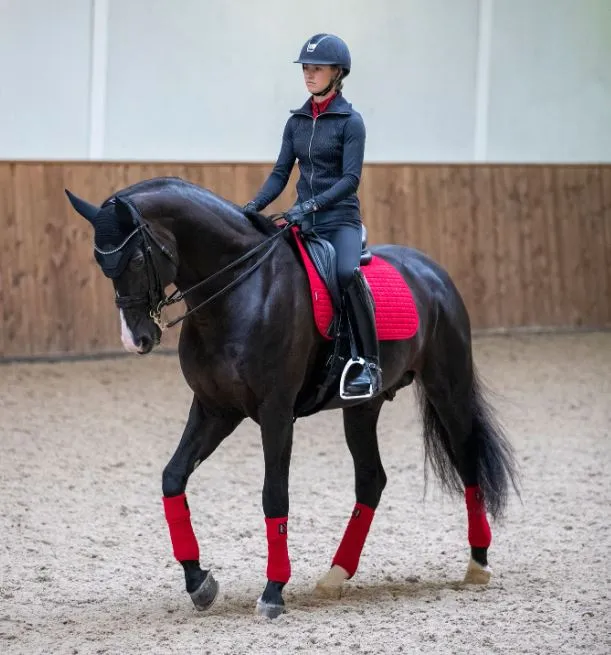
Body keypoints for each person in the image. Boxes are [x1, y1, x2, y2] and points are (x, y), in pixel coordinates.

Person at [243, 33, 381, 399]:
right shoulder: (297, 122)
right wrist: (252, 207)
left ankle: (367, 363)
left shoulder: (351, 122)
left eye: (316, 68)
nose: (309, 73)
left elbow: (350, 180)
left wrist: (309, 206)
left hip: (339, 222)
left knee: (347, 274)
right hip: (303, 223)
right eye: (306, 67)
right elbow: (280, 173)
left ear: (337, 73)